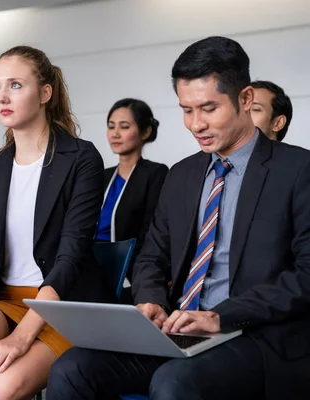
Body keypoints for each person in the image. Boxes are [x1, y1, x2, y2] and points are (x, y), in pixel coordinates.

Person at [47, 36, 310, 400]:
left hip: (254, 336)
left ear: (245, 99)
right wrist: (151, 301)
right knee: (72, 368)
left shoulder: (297, 169)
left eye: (208, 108)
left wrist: (221, 315)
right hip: (180, 330)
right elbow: (153, 254)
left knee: (174, 383)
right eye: (187, 110)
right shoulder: (183, 174)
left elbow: (306, 274)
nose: (196, 124)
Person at [0, 45, 109, 400]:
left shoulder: (82, 158)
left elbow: (70, 258)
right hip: (3, 299)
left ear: (45, 93)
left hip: (62, 306)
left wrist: (21, 338)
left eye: (15, 85)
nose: (2, 96)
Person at [96, 98, 168, 244]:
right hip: (88, 259)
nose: (115, 134)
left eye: (124, 127)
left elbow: (151, 230)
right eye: (111, 126)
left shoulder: (155, 174)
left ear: (146, 132)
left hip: (128, 261)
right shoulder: (103, 176)